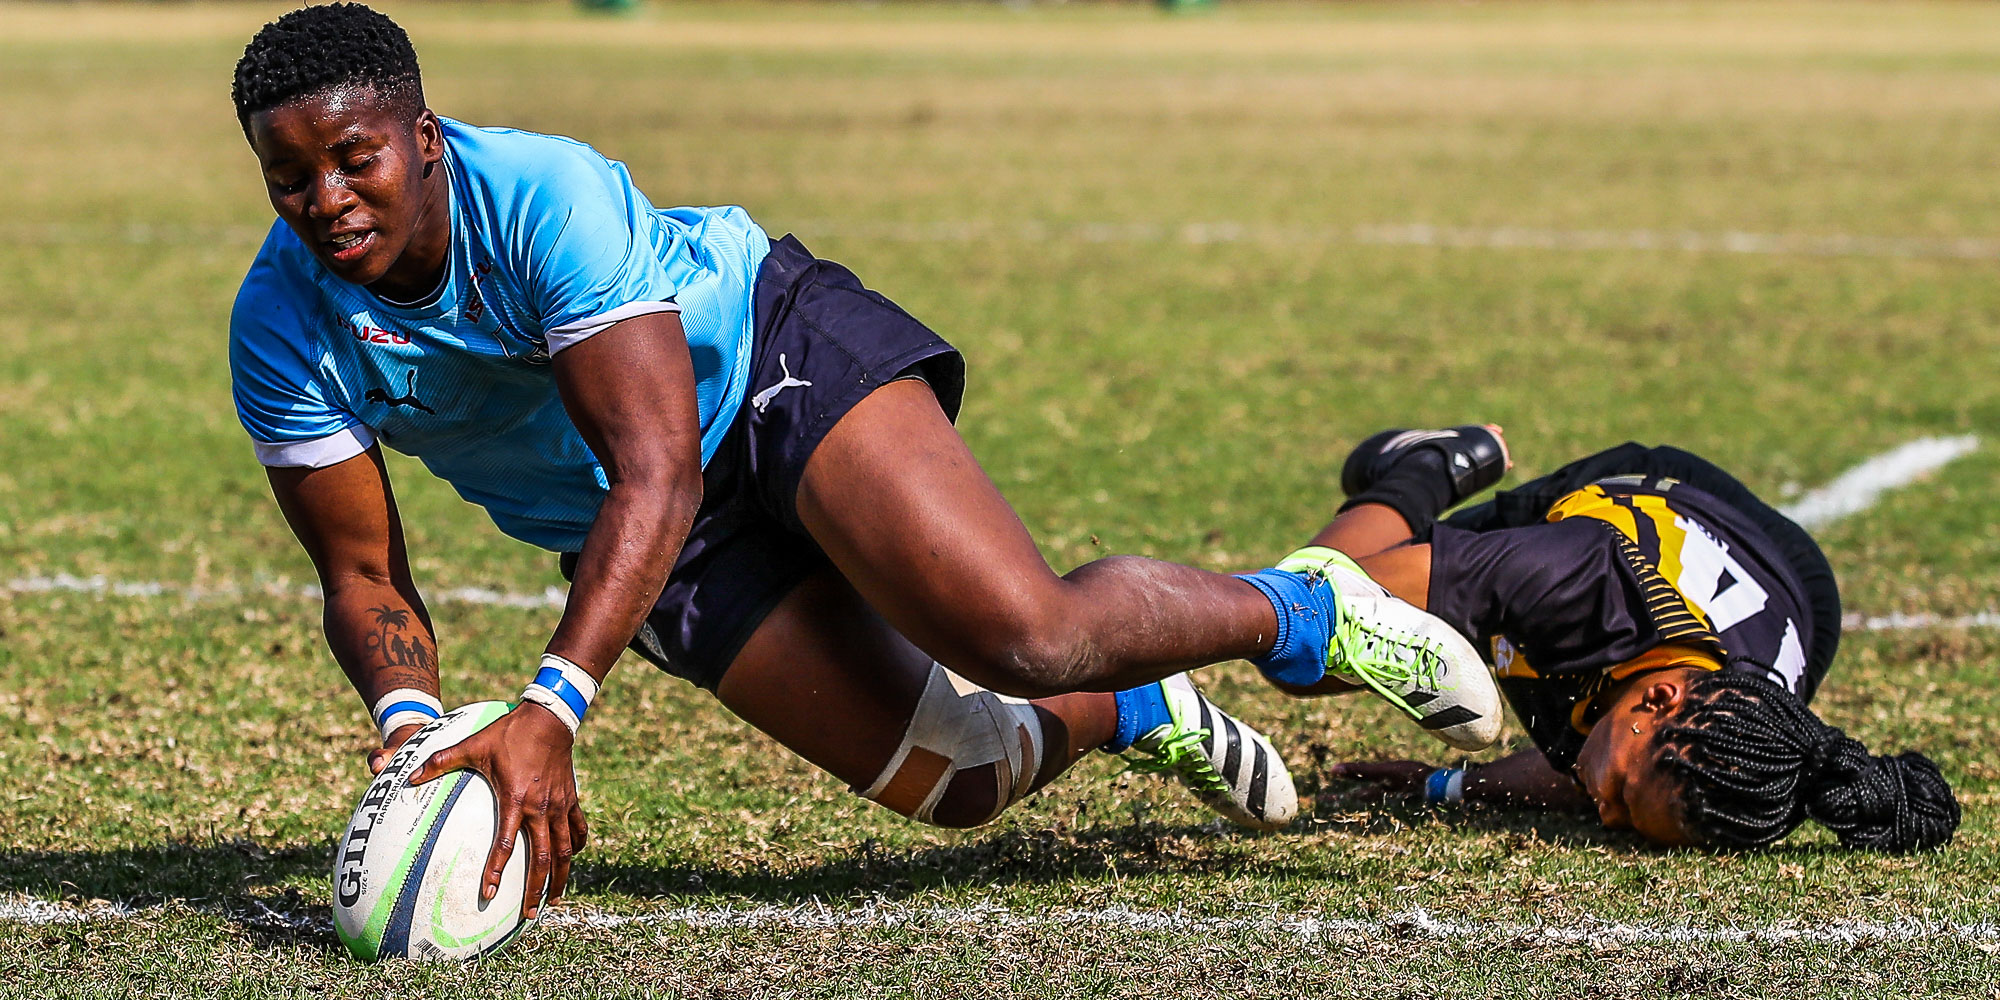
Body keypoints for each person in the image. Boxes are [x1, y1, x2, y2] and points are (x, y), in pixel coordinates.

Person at [227, 4, 1508, 920]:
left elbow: (656, 469)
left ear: (425, 135)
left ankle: (1303, 608)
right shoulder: (279, 324)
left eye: (355, 158)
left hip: (762, 362)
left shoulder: (543, 196)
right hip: (634, 519)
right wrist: (412, 737)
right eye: (290, 178)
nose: (326, 199)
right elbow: (362, 572)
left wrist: (552, 707)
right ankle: (1136, 707)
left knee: (1025, 633)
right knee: (962, 778)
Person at [1304, 428, 1961, 852]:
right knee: (1314, 651)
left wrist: (1446, 786)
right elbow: (1313, 593)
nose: (1606, 817)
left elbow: (1616, 775)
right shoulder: (1579, 580)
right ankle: (1433, 462)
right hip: (1644, 495)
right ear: (1659, 700)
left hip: (1798, 600)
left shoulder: (1733, 758)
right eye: (1618, 795)